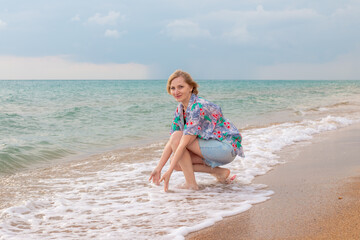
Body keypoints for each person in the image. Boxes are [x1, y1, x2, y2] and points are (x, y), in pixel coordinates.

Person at [149, 70, 244, 192]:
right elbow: (172, 140)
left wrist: (169, 171)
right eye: (172, 88)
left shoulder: (197, 106)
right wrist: (158, 168)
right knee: (177, 162)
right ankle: (220, 172)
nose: (176, 91)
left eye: (180, 87)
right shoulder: (180, 110)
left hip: (226, 147)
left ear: (191, 87)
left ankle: (191, 185)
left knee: (178, 144)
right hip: (216, 147)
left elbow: (181, 142)